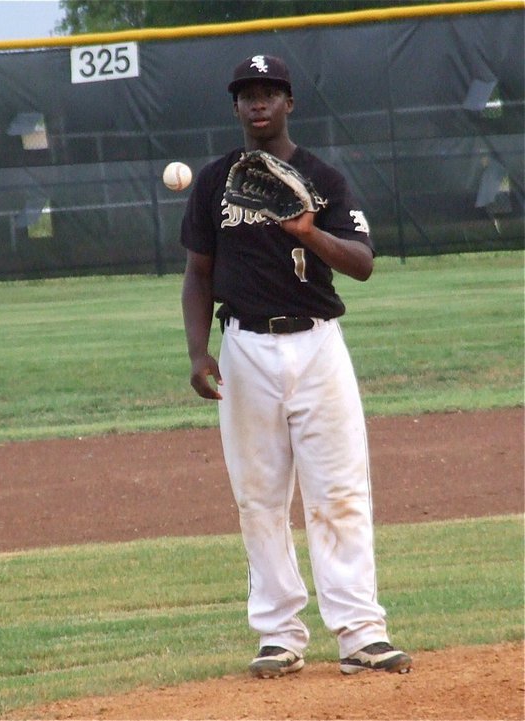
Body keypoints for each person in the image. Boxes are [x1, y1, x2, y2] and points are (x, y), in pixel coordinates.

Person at [180, 55, 412, 678]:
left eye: (270, 93)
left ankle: (361, 633)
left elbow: (362, 263)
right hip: (244, 350)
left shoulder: (323, 178)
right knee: (258, 499)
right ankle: (278, 636)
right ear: (235, 107)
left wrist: (308, 231)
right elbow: (198, 275)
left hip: (316, 346)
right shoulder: (213, 182)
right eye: (247, 94)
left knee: (338, 491)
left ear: (288, 103)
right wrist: (198, 352)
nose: (258, 103)